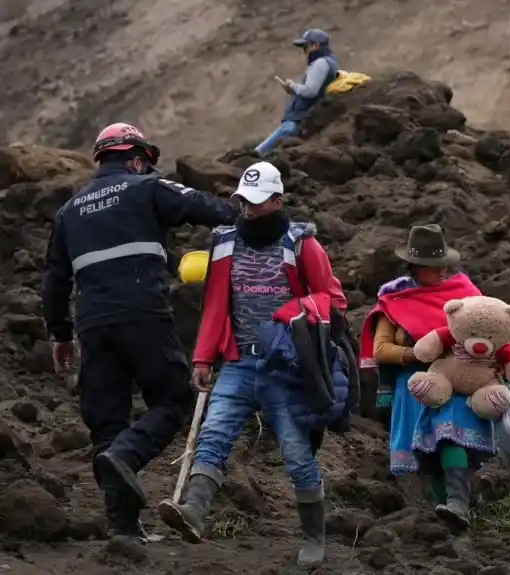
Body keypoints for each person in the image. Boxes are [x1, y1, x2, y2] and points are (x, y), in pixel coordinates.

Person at [41, 122, 237, 552]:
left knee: (106, 421)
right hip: (143, 314)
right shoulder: (145, 187)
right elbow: (200, 205)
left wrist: (60, 335)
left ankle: (123, 531)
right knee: (174, 399)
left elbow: (54, 281)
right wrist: (245, 217)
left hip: (92, 325)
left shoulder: (69, 211)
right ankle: (129, 455)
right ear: (135, 158)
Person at [157, 161, 346, 568]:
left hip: (285, 366)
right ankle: (193, 511)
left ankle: (315, 536)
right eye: (243, 201)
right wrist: (204, 357)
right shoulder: (224, 242)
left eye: (258, 203)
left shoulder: (301, 245)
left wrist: (290, 314)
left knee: (296, 454)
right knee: (214, 434)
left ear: (278, 201)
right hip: (238, 362)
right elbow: (215, 306)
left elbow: (332, 298)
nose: (248, 210)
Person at [358, 224, 510, 529]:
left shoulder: (464, 293)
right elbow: (381, 350)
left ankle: (458, 502)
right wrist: (415, 353)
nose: (442, 270)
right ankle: (447, 511)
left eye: (444, 264)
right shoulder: (396, 299)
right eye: (433, 266)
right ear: (415, 267)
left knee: (449, 435)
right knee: (425, 453)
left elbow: (486, 329)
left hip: (458, 380)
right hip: (415, 384)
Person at [255, 28, 340, 156]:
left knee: (257, 154)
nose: (304, 51)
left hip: (296, 121)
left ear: (315, 45)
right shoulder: (330, 62)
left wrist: (293, 86)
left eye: (306, 46)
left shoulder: (320, 63)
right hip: (300, 120)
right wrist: (292, 91)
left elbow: (311, 91)